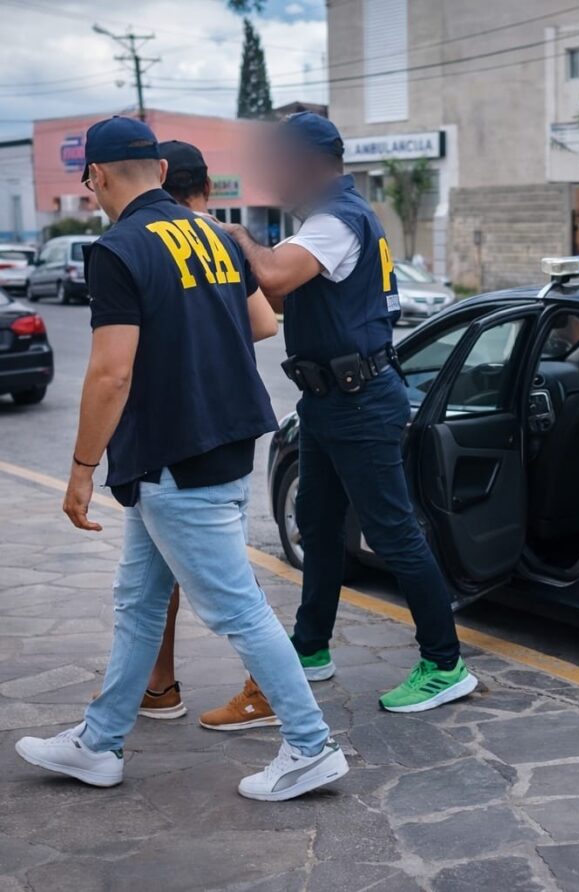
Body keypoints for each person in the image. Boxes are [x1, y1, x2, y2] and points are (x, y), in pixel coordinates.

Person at [14, 116, 346, 801]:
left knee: (236, 609)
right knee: (138, 600)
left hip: (171, 452)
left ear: (97, 176)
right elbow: (262, 322)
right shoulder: (211, 232)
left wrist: (81, 470)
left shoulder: (119, 248)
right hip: (218, 442)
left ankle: (311, 747)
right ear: (161, 172)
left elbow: (110, 374)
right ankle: (99, 744)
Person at [217, 113, 477, 714]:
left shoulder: (338, 219)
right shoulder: (323, 223)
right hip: (328, 401)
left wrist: (238, 236)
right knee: (318, 523)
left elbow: (274, 273)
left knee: (393, 532)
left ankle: (444, 662)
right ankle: (311, 647)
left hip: (360, 402)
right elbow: (281, 292)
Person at [117, 139, 282, 730]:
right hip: (229, 425)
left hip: (171, 433)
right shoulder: (217, 238)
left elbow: (115, 363)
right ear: (205, 188)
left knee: (218, 593)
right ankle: (129, 709)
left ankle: (163, 686)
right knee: (166, 578)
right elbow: (264, 323)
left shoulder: (138, 244)